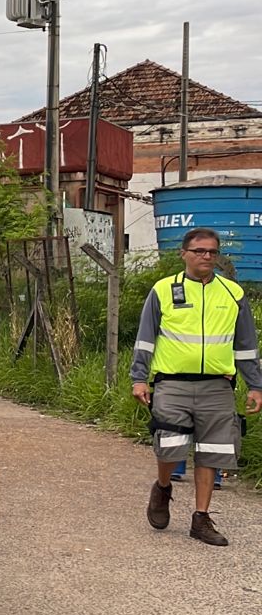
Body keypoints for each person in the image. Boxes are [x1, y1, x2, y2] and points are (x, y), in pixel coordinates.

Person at [132, 228, 262, 547]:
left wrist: (255, 385)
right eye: (199, 251)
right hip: (172, 383)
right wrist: (139, 378)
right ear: (184, 254)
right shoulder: (164, 290)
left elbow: (246, 345)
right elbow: (146, 338)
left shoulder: (232, 293)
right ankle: (163, 488)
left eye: (212, 252)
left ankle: (201, 518)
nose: (206, 256)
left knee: (213, 450)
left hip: (217, 386)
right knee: (170, 446)